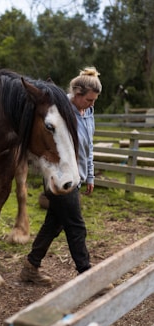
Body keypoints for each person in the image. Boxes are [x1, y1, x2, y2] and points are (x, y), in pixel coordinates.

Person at [20, 67, 109, 287]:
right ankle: (86, 275)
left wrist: (89, 175)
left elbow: (88, 148)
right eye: (89, 100)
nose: (92, 104)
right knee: (76, 225)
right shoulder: (59, 110)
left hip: (76, 176)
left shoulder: (88, 112)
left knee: (55, 222)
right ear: (77, 94)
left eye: (94, 101)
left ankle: (31, 266)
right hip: (59, 175)